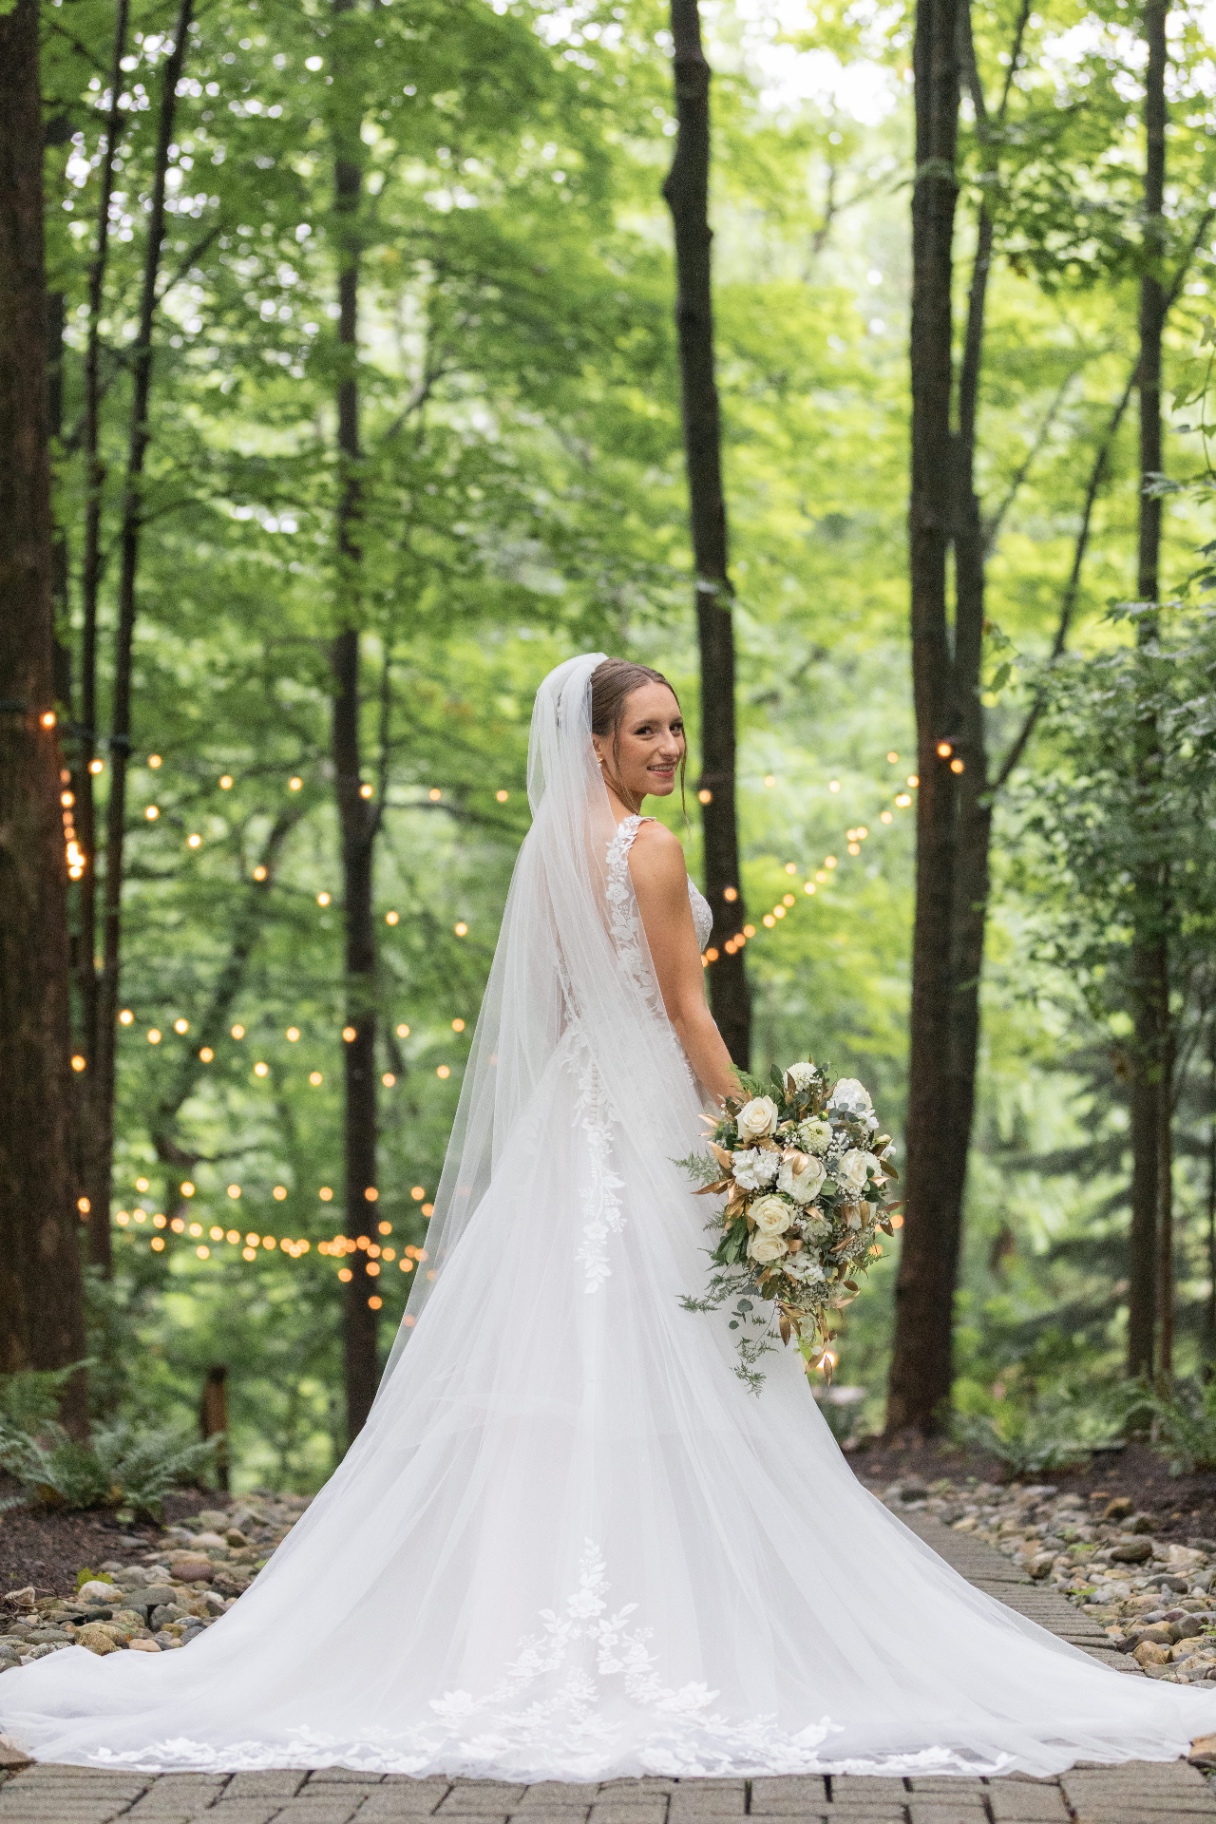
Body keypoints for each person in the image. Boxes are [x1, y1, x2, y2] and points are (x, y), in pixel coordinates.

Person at [3, 651, 1215, 1780]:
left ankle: (517, 1634)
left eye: (678, 727)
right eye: (647, 728)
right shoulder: (649, 851)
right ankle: (691, 1628)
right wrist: (756, 1140)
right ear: (593, 744)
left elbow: (558, 1012)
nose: (671, 745)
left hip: (565, 1127)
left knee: (564, 1370)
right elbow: (688, 1019)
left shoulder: (544, 852)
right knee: (676, 1364)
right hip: (641, 1120)